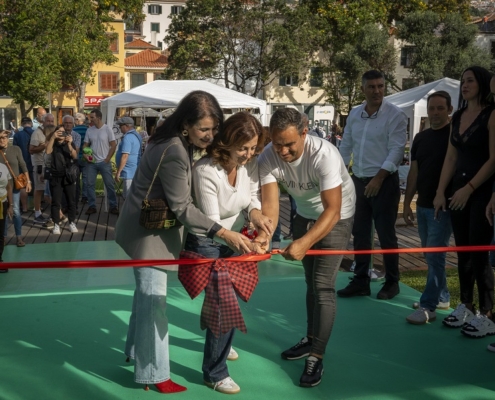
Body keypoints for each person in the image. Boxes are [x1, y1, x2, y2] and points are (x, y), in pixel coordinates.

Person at [115, 91, 258, 394]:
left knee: (145, 298)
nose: (210, 135)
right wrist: (224, 232)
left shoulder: (168, 140)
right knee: (154, 304)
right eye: (203, 129)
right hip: (149, 237)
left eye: (214, 128)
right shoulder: (176, 152)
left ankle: (133, 350)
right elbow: (183, 208)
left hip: (142, 226)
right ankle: (154, 374)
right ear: (185, 125)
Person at [255, 108, 356, 388]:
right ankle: (311, 338)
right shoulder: (267, 156)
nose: (283, 151)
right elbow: (272, 207)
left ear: (304, 132)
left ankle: (316, 355)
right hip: (304, 214)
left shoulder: (325, 154)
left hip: (337, 215)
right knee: (311, 283)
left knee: (323, 286)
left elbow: (333, 211)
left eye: (289, 144)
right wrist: (265, 236)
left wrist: (304, 241)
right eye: (277, 143)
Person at [184, 111, 270, 394]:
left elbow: (249, 198)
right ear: (227, 142)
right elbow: (211, 222)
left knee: (225, 303)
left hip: (231, 240)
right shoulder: (205, 170)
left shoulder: (245, 167)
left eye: (253, 148)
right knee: (224, 305)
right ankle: (215, 373)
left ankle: (221, 342)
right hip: (208, 243)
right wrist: (245, 242)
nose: (248, 154)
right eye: (243, 148)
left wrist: (256, 215)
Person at [434, 66, 495, 337]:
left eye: (470, 81)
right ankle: (466, 305)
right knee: (463, 253)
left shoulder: (491, 115)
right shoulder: (457, 115)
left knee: (479, 254)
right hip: (457, 192)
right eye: (462, 81)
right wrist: (440, 192)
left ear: (482, 83)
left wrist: (469, 188)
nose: (465, 85)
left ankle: (488, 312)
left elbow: (494, 160)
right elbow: (450, 158)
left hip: (480, 192)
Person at [337, 69, 407, 300]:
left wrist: (378, 178)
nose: (377, 91)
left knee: (386, 234)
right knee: (360, 233)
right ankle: (361, 280)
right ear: (363, 89)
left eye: (380, 86)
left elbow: (397, 149)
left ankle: (392, 282)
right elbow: (345, 146)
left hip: (384, 181)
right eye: (372, 87)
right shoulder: (355, 114)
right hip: (358, 180)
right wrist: (339, 175)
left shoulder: (395, 115)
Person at [403, 91, 454, 325]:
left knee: (435, 256)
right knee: (430, 254)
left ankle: (428, 306)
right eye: (432, 108)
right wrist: (407, 202)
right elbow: (414, 172)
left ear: (449, 110)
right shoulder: (420, 138)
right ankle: (442, 297)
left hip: (442, 206)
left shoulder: (454, 136)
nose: (435, 113)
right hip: (422, 205)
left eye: (440, 108)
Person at [83, 108, 119, 215]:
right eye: (90, 117)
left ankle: (113, 206)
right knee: (90, 185)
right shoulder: (89, 130)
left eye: (92, 117)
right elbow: (85, 145)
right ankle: (92, 206)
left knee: (109, 185)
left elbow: (113, 145)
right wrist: (85, 153)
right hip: (92, 162)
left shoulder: (107, 129)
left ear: (99, 117)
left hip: (104, 162)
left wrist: (107, 158)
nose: (90, 120)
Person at [45, 125, 78, 234]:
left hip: (68, 175)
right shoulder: (53, 143)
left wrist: (69, 143)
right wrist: (53, 138)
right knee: (56, 202)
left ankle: (72, 222)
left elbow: (75, 156)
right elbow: (48, 152)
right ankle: (56, 224)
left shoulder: (69, 142)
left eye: (63, 132)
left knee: (71, 201)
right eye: (59, 132)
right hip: (56, 175)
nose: (61, 134)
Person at [0, 130, 30, 247]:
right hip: (2, 188)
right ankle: (4, 237)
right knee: (3, 212)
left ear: (8, 138)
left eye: (4, 137)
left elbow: (23, 164)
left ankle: (19, 236)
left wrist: (28, 181)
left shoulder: (15, 149)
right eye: (0, 138)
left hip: (14, 186)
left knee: (16, 211)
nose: (2, 140)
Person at [29, 113, 55, 224]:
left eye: (52, 121)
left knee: (49, 190)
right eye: (48, 121)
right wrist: (44, 146)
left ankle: (55, 213)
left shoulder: (50, 132)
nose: (50, 123)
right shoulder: (37, 133)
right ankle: (37, 213)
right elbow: (31, 150)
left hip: (48, 165)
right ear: (42, 121)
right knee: (40, 190)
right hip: (40, 165)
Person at [114, 117, 142, 200]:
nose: (119, 128)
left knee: (128, 197)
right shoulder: (136, 135)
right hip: (134, 170)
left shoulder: (128, 137)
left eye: (120, 126)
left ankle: (128, 213)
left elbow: (125, 155)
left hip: (128, 171)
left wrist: (119, 171)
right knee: (132, 196)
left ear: (126, 126)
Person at [13, 117, 34, 213]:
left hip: (21, 162)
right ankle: (35, 206)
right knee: (35, 184)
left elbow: (14, 149)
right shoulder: (36, 132)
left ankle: (25, 207)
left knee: (23, 185)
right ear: (31, 123)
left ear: (22, 124)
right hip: (34, 162)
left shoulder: (17, 135)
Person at [0, 159, 13, 273]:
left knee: (0, 234)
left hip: (2, 203)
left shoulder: (3, 167)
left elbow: (9, 187)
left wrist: (10, 205)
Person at [73, 113, 88, 204]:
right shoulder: (88, 130)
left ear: (78, 120)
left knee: (76, 178)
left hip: (76, 157)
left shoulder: (73, 131)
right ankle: (85, 196)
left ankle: (76, 195)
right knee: (85, 178)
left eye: (75, 120)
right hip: (86, 157)